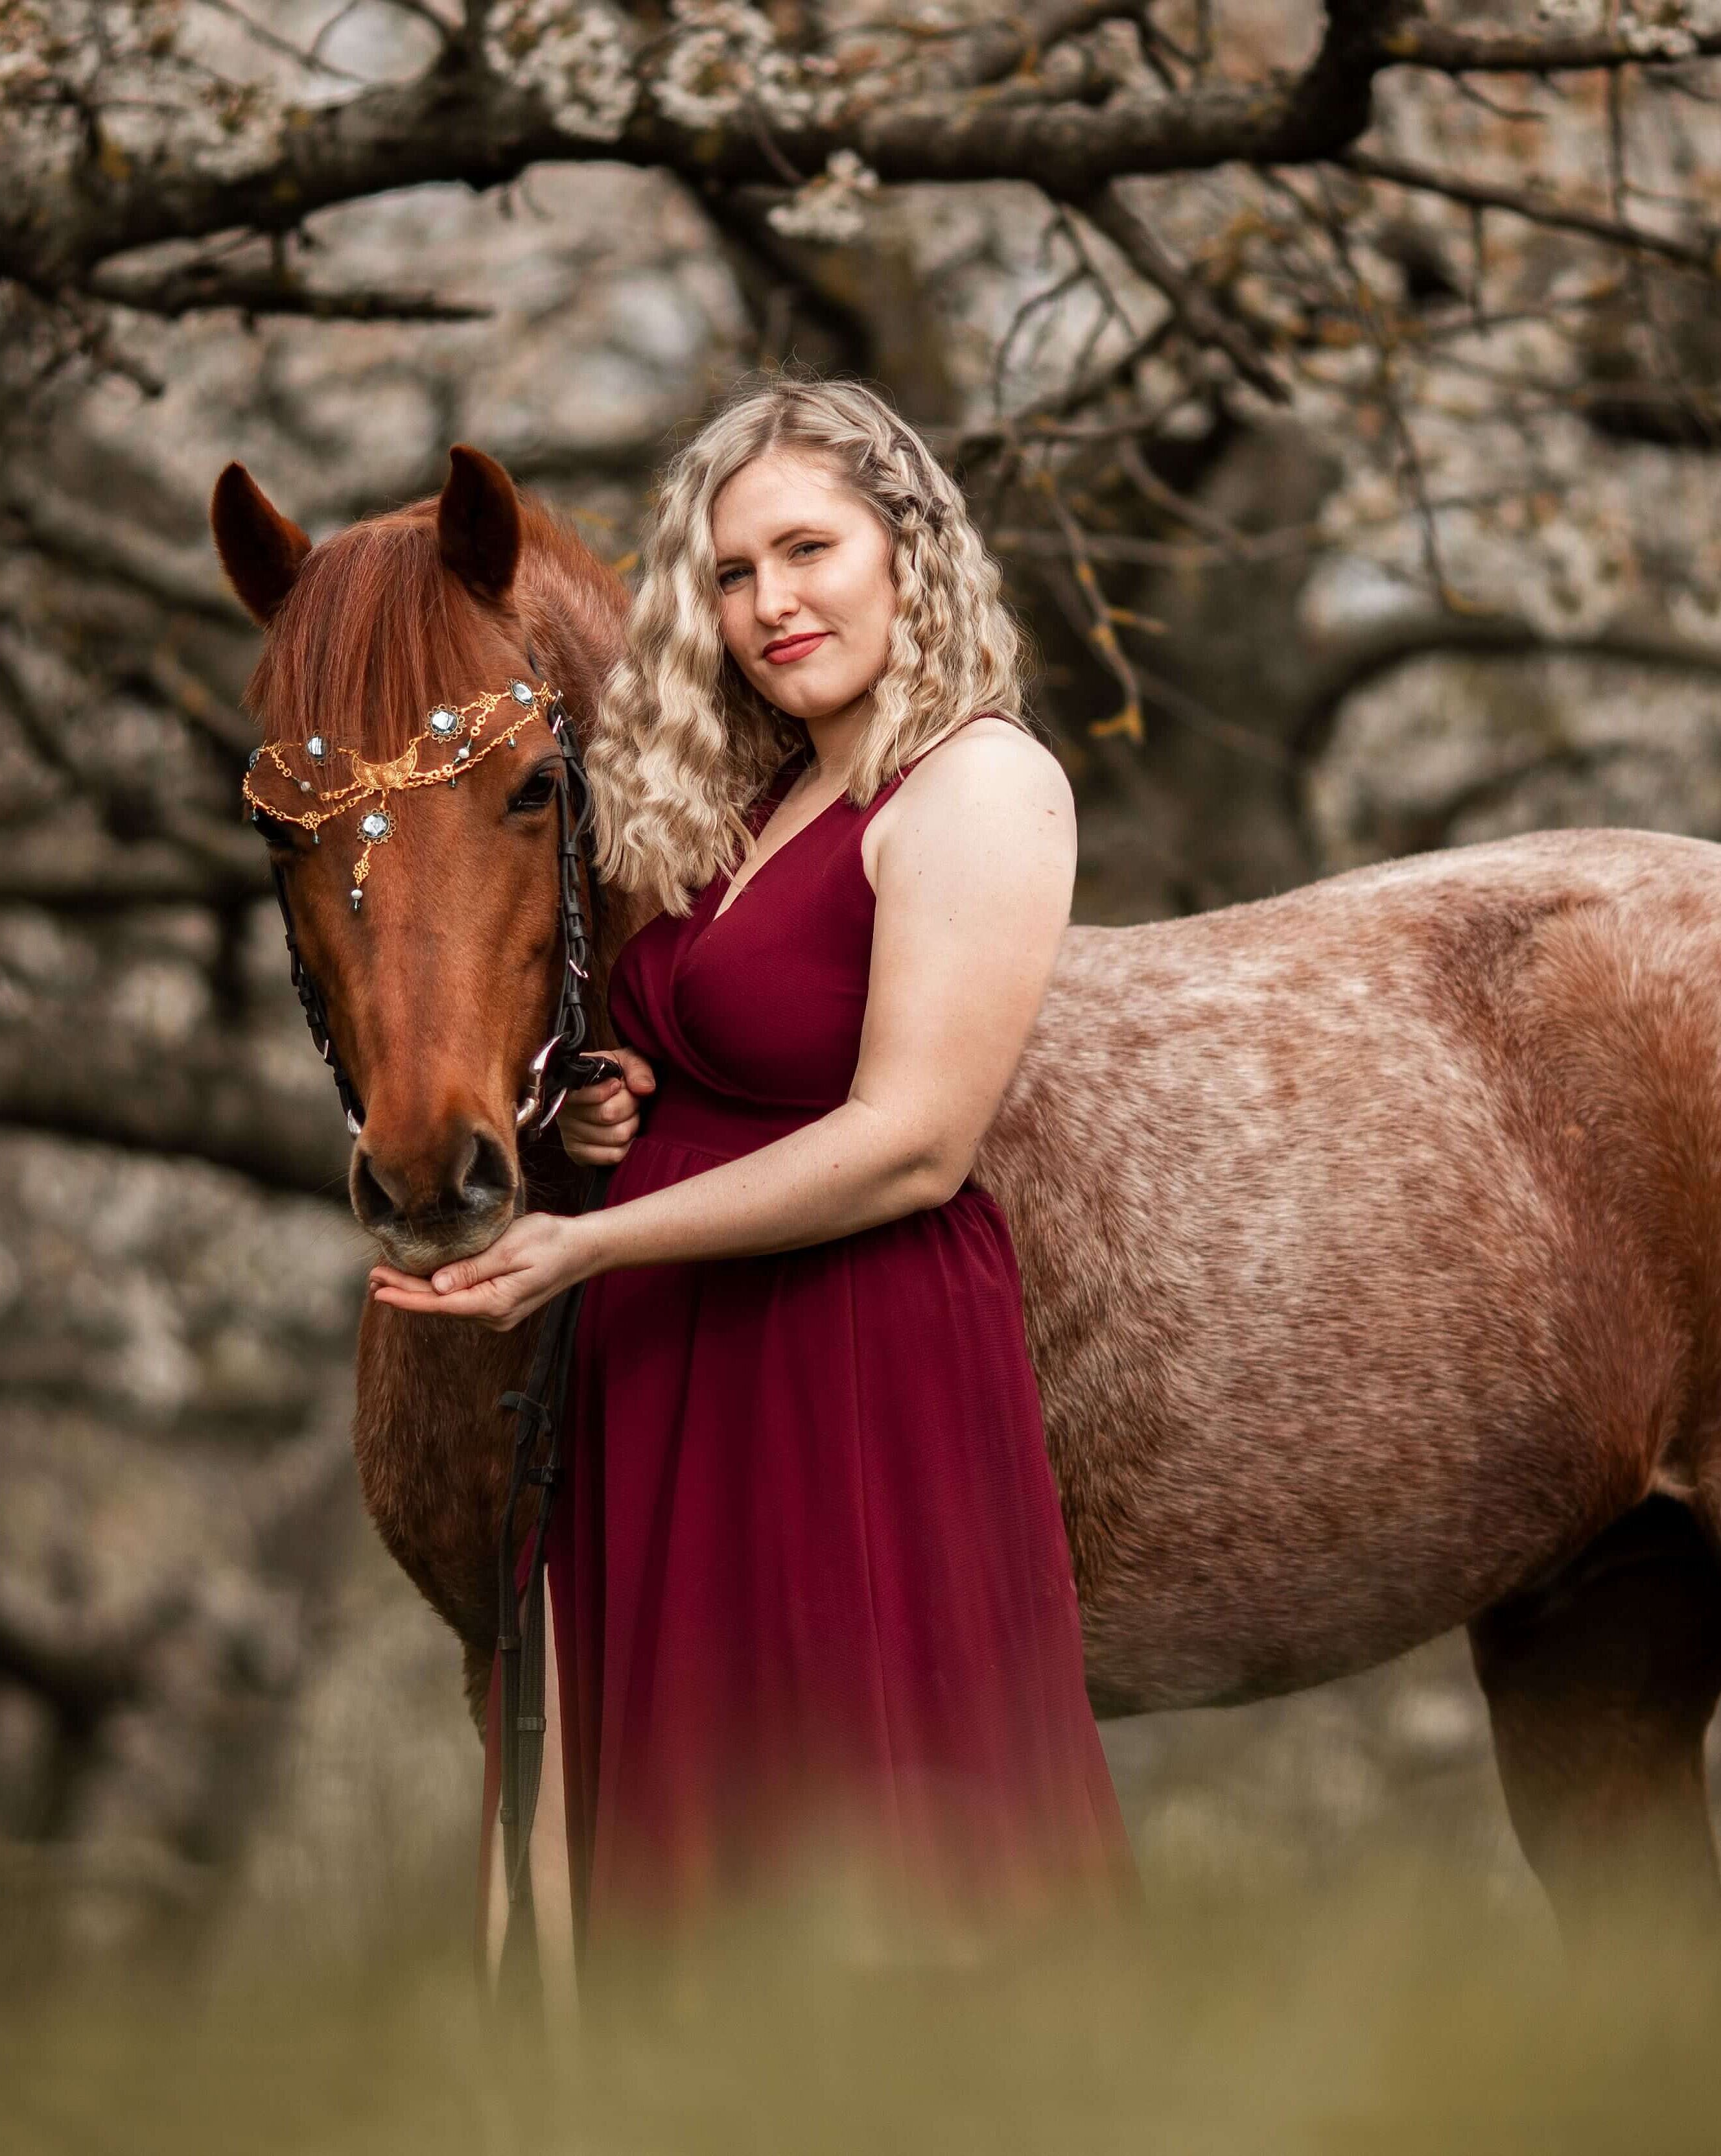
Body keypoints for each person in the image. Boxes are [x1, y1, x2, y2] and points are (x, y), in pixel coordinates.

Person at [369, 374, 1134, 1957]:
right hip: (685, 1361)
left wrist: (587, 1246)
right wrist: (611, 1104)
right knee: (690, 1907)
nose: (770, 604)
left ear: (905, 548)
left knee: (875, 1892)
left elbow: (909, 1144)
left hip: (847, 1359)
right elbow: (723, 1054)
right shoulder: (764, 802)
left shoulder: (978, 784)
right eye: (730, 574)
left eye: (807, 549)